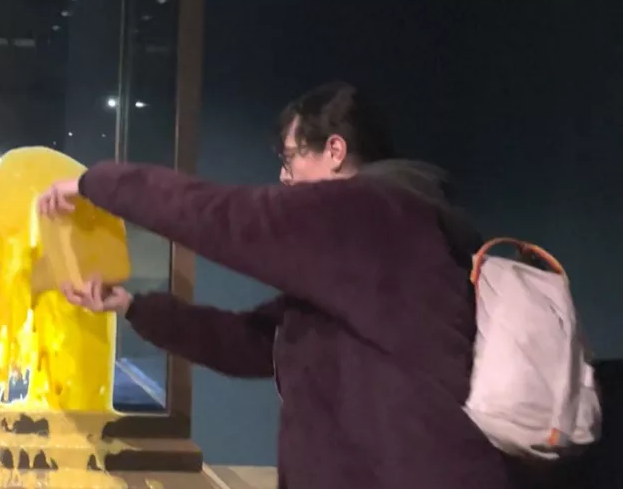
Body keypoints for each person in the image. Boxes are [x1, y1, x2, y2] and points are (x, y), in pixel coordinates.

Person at [39, 82, 520, 488]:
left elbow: (223, 217)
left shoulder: (370, 215)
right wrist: (130, 307)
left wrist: (95, 183)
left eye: (290, 159)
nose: (284, 178)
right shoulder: (366, 251)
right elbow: (250, 344)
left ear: (335, 151)